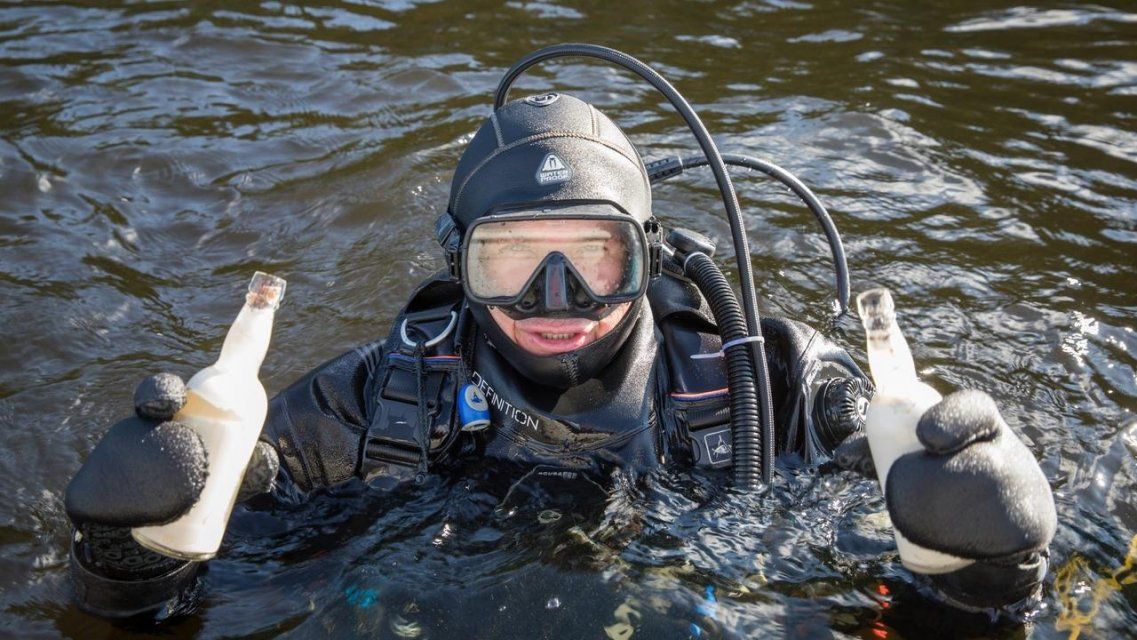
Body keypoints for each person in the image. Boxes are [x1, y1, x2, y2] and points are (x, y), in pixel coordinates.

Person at [64, 91, 1056, 620]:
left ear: (651, 255)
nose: (554, 302)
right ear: (459, 264)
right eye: (512, 262)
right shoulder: (368, 405)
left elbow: (913, 555)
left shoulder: (778, 382)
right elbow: (231, 595)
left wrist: (980, 569)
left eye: (592, 260)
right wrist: (134, 561)